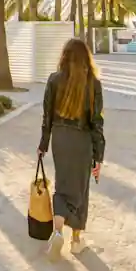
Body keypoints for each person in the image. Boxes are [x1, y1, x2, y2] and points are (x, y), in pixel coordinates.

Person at [37, 38, 105, 257]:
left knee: (63, 186)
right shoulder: (93, 83)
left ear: (64, 57)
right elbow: (97, 122)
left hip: (60, 138)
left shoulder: (54, 79)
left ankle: (57, 233)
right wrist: (98, 156)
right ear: (86, 57)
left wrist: (43, 144)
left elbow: (47, 116)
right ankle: (76, 241)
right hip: (81, 140)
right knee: (81, 190)